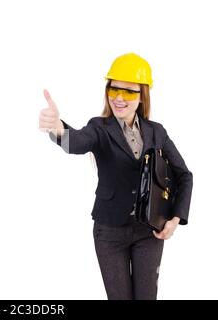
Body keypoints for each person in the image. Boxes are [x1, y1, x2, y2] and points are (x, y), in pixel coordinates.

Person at [38, 53, 193, 300]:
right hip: (109, 231)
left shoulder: (157, 132)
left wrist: (175, 219)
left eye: (129, 92)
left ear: (142, 95)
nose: (118, 98)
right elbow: (77, 141)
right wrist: (59, 130)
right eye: (113, 89)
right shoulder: (100, 128)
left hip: (149, 231)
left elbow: (184, 175)